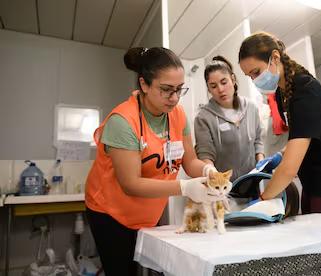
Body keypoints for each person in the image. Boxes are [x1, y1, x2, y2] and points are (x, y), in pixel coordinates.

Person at [85, 47, 220, 276]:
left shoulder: (177, 114)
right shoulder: (123, 121)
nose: (175, 98)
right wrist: (185, 187)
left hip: (148, 212)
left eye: (179, 90)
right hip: (110, 213)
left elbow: (190, 161)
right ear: (144, 85)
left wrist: (207, 170)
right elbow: (131, 184)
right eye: (167, 90)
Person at [238, 32, 321, 218]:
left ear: (275, 57)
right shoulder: (282, 92)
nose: (254, 81)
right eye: (249, 76)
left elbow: (289, 170)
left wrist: (262, 201)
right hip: (313, 182)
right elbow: (302, 136)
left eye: (256, 72)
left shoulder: (305, 92)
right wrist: (280, 155)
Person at [194, 55, 264, 183]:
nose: (220, 89)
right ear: (208, 89)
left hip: (253, 183)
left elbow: (258, 141)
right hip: (223, 188)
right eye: (213, 86)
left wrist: (261, 164)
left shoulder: (251, 107)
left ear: (233, 79)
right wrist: (216, 182)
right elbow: (205, 155)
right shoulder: (203, 117)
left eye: (224, 82)